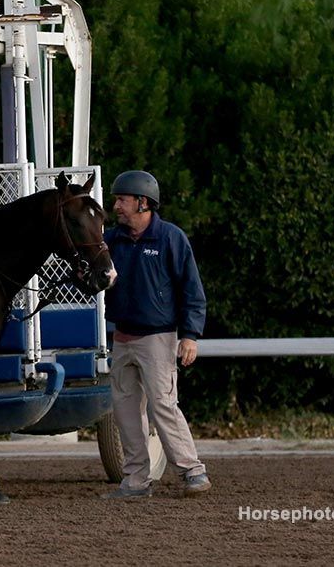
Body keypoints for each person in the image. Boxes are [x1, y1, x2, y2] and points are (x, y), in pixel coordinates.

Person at [100, 170, 211, 498]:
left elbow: (192, 289)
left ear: (143, 202)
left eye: (123, 200)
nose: (116, 206)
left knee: (163, 405)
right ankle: (135, 481)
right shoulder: (112, 241)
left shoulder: (171, 239)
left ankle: (193, 470)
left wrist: (190, 335)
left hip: (158, 340)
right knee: (126, 412)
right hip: (122, 338)